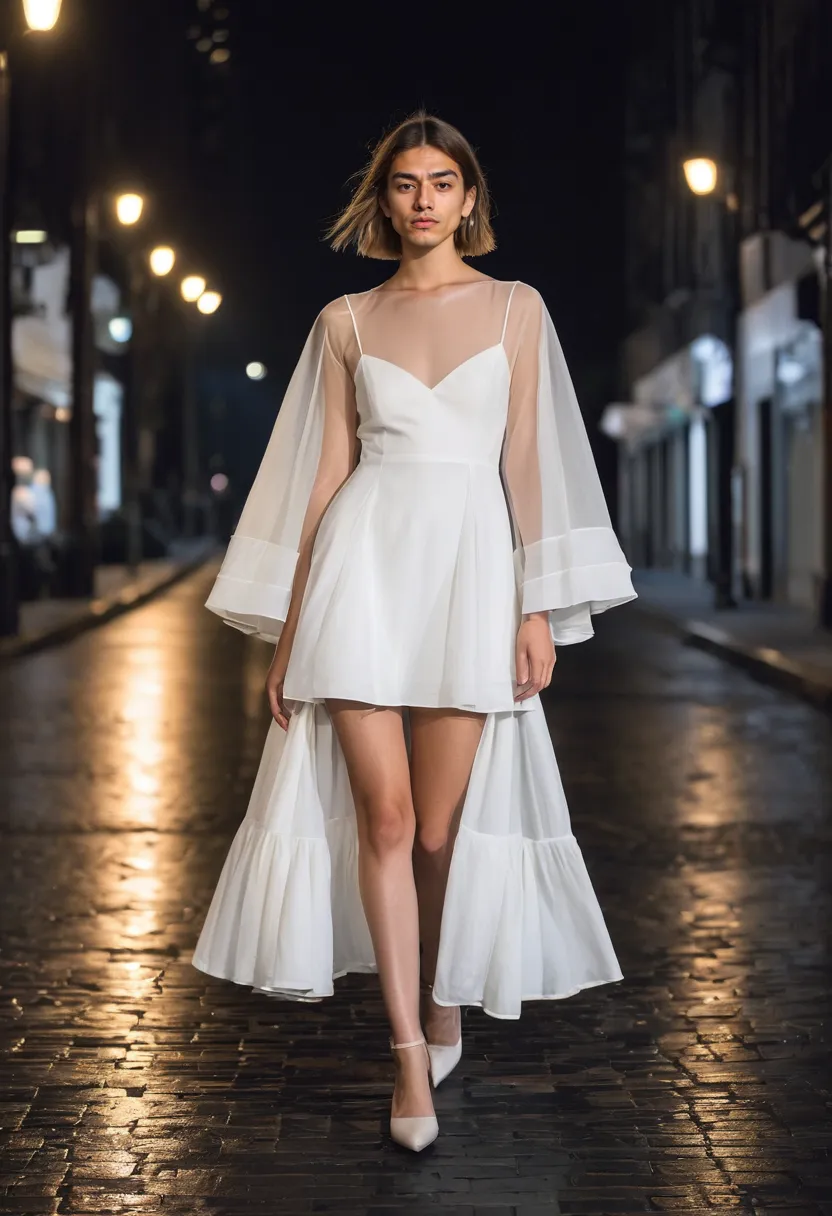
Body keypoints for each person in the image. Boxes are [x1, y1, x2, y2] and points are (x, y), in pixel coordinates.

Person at [192, 112, 637, 1152]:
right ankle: (406, 1056)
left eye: (442, 181)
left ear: (469, 197)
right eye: (404, 183)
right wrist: (291, 630)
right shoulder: (343, 320)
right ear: (384, 198)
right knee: (385, 822)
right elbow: (324, 479)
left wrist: (534, 605)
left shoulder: (516, 308)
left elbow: (522, 465)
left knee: (438, 830)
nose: (424, 198)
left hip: (471, 574)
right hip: (362, 571)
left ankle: (443, 1000)